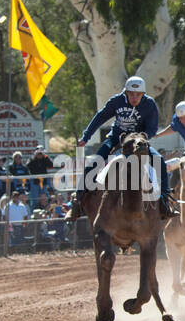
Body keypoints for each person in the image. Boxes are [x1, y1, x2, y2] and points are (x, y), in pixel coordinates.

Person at [75, 75, 177, 219]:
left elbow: (152, 128)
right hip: (116, 139)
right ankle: (77, 203)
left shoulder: (149, 104)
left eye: (138, 95)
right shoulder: (116, 101)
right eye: (131, 94)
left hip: (139, 142)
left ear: (143, 94)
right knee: (91, 166)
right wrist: (86, 137)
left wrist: (141, 138)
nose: (134, 98)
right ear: (125, 93)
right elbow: (100, 117)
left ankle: (166, 203)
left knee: (159, 161)